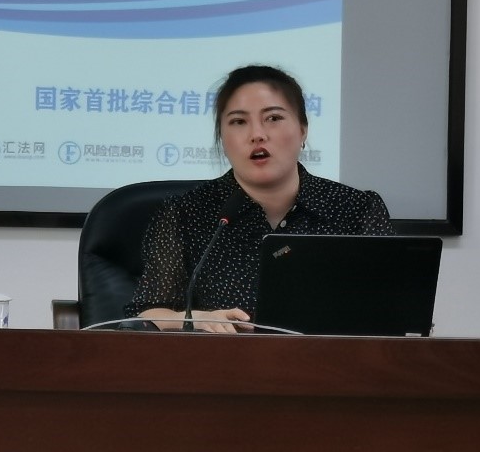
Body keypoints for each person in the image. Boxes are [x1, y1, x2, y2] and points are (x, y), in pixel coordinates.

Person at [124, 64, 395, 333]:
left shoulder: (357, 209)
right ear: (222, 138)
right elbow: (149, 313)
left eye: (273, 118)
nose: (257, 135)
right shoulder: (185, 213)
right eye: (238, 122)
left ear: (303, 129)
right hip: (220, 359)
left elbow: (395, 311)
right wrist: (198, 319)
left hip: (332, 360)